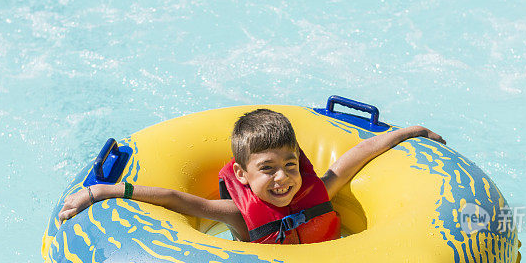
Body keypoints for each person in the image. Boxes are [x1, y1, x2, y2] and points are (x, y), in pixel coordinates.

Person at [58, 109, 445, 243]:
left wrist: (407, 133)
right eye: (268, 169)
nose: (283, 179)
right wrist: (99, 193)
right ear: (241, 175)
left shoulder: (318, 192)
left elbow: (353, 157)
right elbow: (176, 199)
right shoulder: (237, 215)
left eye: (291, 166)